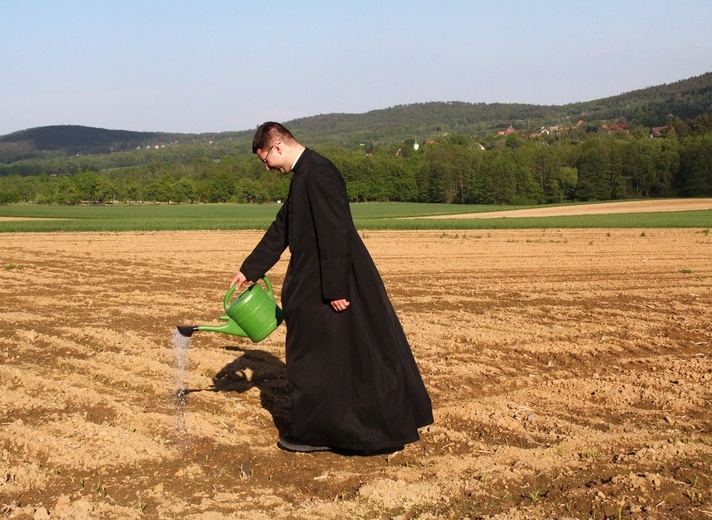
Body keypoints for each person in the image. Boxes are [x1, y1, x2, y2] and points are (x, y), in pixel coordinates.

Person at [230, 122, 433, 453]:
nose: (266, 168)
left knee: (313, 359)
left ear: (276, 147)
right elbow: (283, 227)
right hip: (316, 280)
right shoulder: (304, 177)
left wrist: (337, 290)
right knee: (326, 357)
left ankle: (318, 433)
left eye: (265, 160)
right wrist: (250, 268)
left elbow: (337, 232)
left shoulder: (318, 174)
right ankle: (332, 427)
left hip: (327, 283)